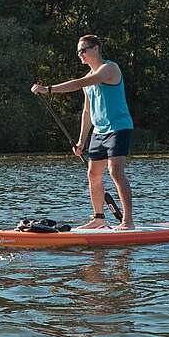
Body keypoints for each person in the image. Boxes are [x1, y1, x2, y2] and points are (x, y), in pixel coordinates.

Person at [31, 34, 135, 230]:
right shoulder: (88, 78)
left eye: (83, 50)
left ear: (95, 48)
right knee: (93, 174)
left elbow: (78, 83)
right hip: (99, 131)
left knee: (116, 172)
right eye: (78, 52)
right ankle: (99, 219)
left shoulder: (109, 69)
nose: (80, 55)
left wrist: (48, 89)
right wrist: (81, 142)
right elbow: (87, 112)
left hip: (118, 128)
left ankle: (128, 221)